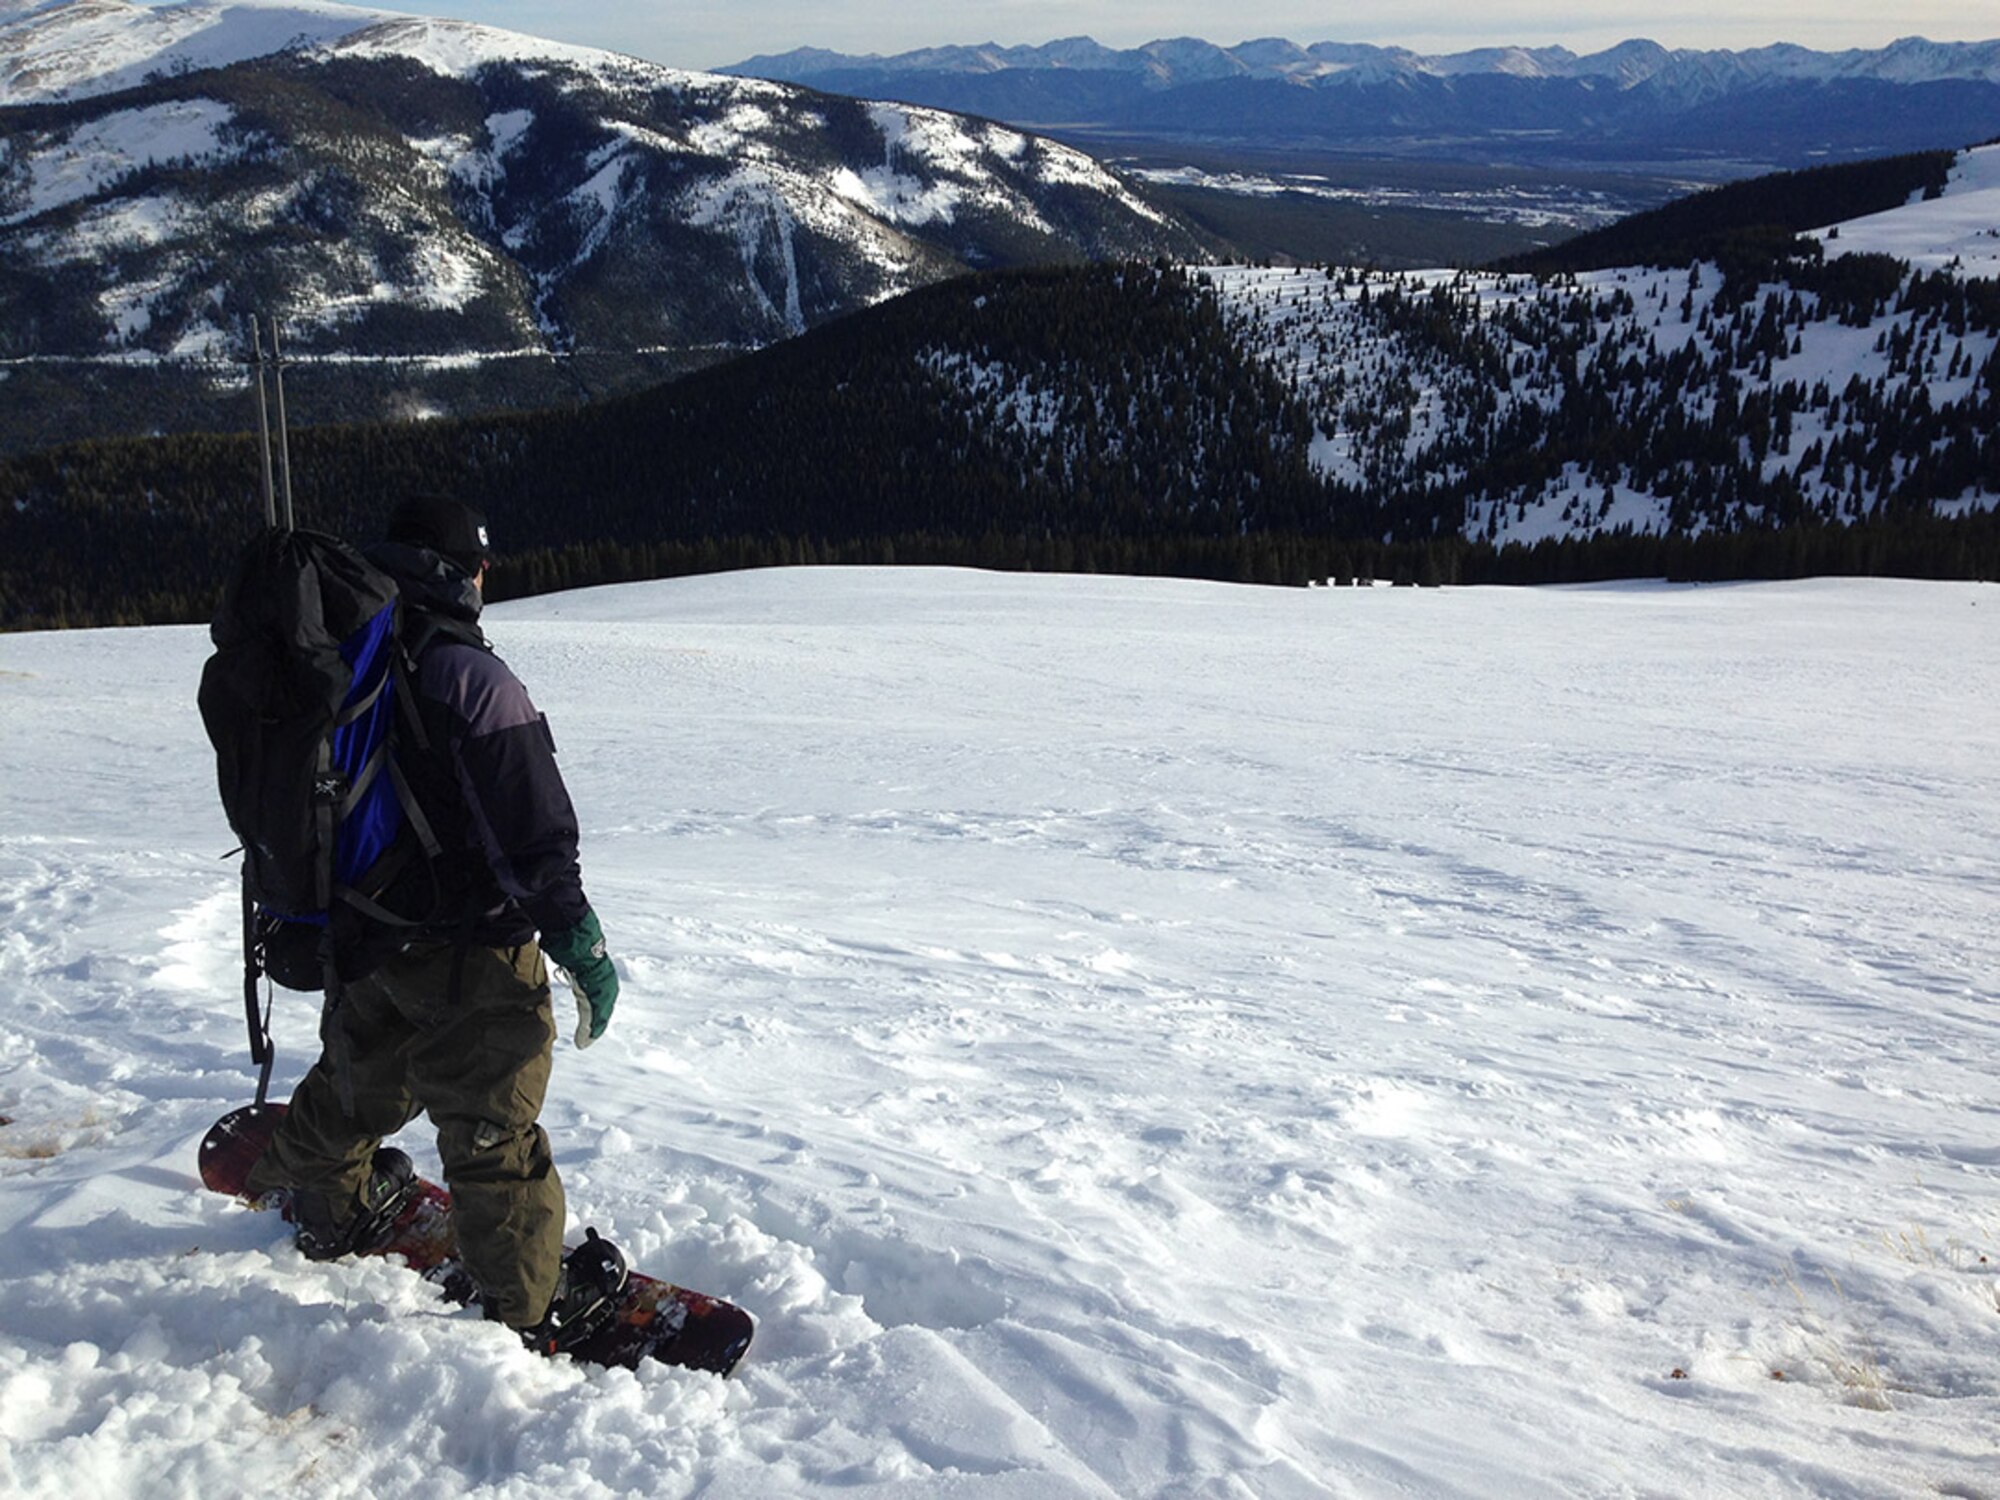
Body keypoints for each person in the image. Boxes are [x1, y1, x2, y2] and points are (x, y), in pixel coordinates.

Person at [243, 494, 622, 1351]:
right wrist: (579, 944)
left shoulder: (338, 656)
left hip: (361, 932)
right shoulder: (468, 674)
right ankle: (530, 1304)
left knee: (357, 1078)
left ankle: (325, 1205)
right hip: (470, 949)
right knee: (493, 1118)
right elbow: (532, 830)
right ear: (470, 572)